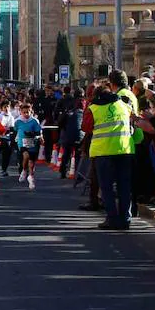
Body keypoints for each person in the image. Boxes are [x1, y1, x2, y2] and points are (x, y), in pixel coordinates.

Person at [87, 84, 139, 230]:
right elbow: (133, 121)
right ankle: (125, 218)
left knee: (107, 187)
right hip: (125, 149)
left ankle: (112, 218)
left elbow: (86, 127)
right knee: (124, 186)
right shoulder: (124, 104)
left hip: (103, 152)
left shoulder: (93, 108)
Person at [14, 103, 43, 190]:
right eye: (24, 112)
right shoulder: (17, 121)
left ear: (31, 112)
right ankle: (23, 170)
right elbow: (15, 130)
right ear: (21, 112)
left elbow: (39, 132)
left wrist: (37, 135)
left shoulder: (35, 121)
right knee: (26, 156)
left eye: (28, 112)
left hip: (32, 142)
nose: (26, 114)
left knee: (31, 163)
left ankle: (31, 179)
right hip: (22, 142)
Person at [58, 97, 83, 179]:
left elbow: (60, 123)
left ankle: (63, 171)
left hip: (68, 136)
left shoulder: (68, 113)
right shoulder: (84, 113)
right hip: (80, 137)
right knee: (78, 155)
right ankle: (78, 173)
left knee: (66, 154)